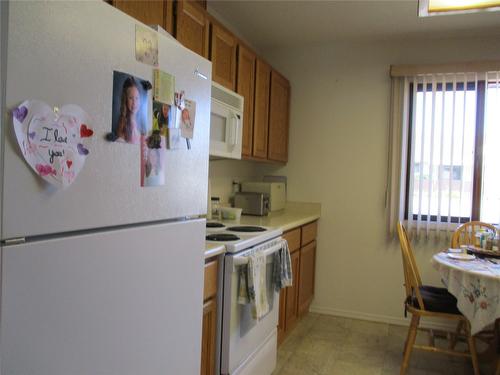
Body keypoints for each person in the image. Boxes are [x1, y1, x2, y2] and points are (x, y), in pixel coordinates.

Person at [116, 76, 141, 144]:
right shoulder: (123, 124)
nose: (134, 103)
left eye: (137, 98)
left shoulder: (140, 124)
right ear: (125, 100)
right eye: (130, 98)